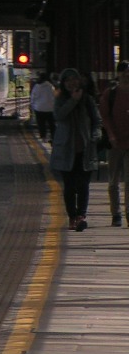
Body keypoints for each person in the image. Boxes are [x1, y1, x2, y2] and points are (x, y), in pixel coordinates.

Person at [52, 68, 103, 232]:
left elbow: (97, 121)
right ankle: (72, 216)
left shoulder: (87, 100)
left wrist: (95, 135)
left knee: (83, 185)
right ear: (63, 83)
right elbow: (59, 116)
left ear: (79, 81)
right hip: (66, 151)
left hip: (85, 149)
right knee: (69, 187)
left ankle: (81, 216)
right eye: (67, 81)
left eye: (74, 79)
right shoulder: (60, 100)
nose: (71, 83)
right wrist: (73, 100)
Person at [99, 61, 129, 226]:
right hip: (115, 143)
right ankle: (115, 213)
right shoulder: (110, 94)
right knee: (113, 181)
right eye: (123, 71)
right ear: (118, 74)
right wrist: (111, 135)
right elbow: (105, 116)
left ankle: (128, 212)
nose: (127, 74)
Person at [30, 72, 56, 142]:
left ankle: (43, 137)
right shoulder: (51, 86)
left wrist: (32, 106)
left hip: (39, 108)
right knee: (51, 124)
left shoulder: (36, 87)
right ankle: (53, 137)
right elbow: (54, 97)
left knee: (41, 124)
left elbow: (33, 97)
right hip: (50, 108)